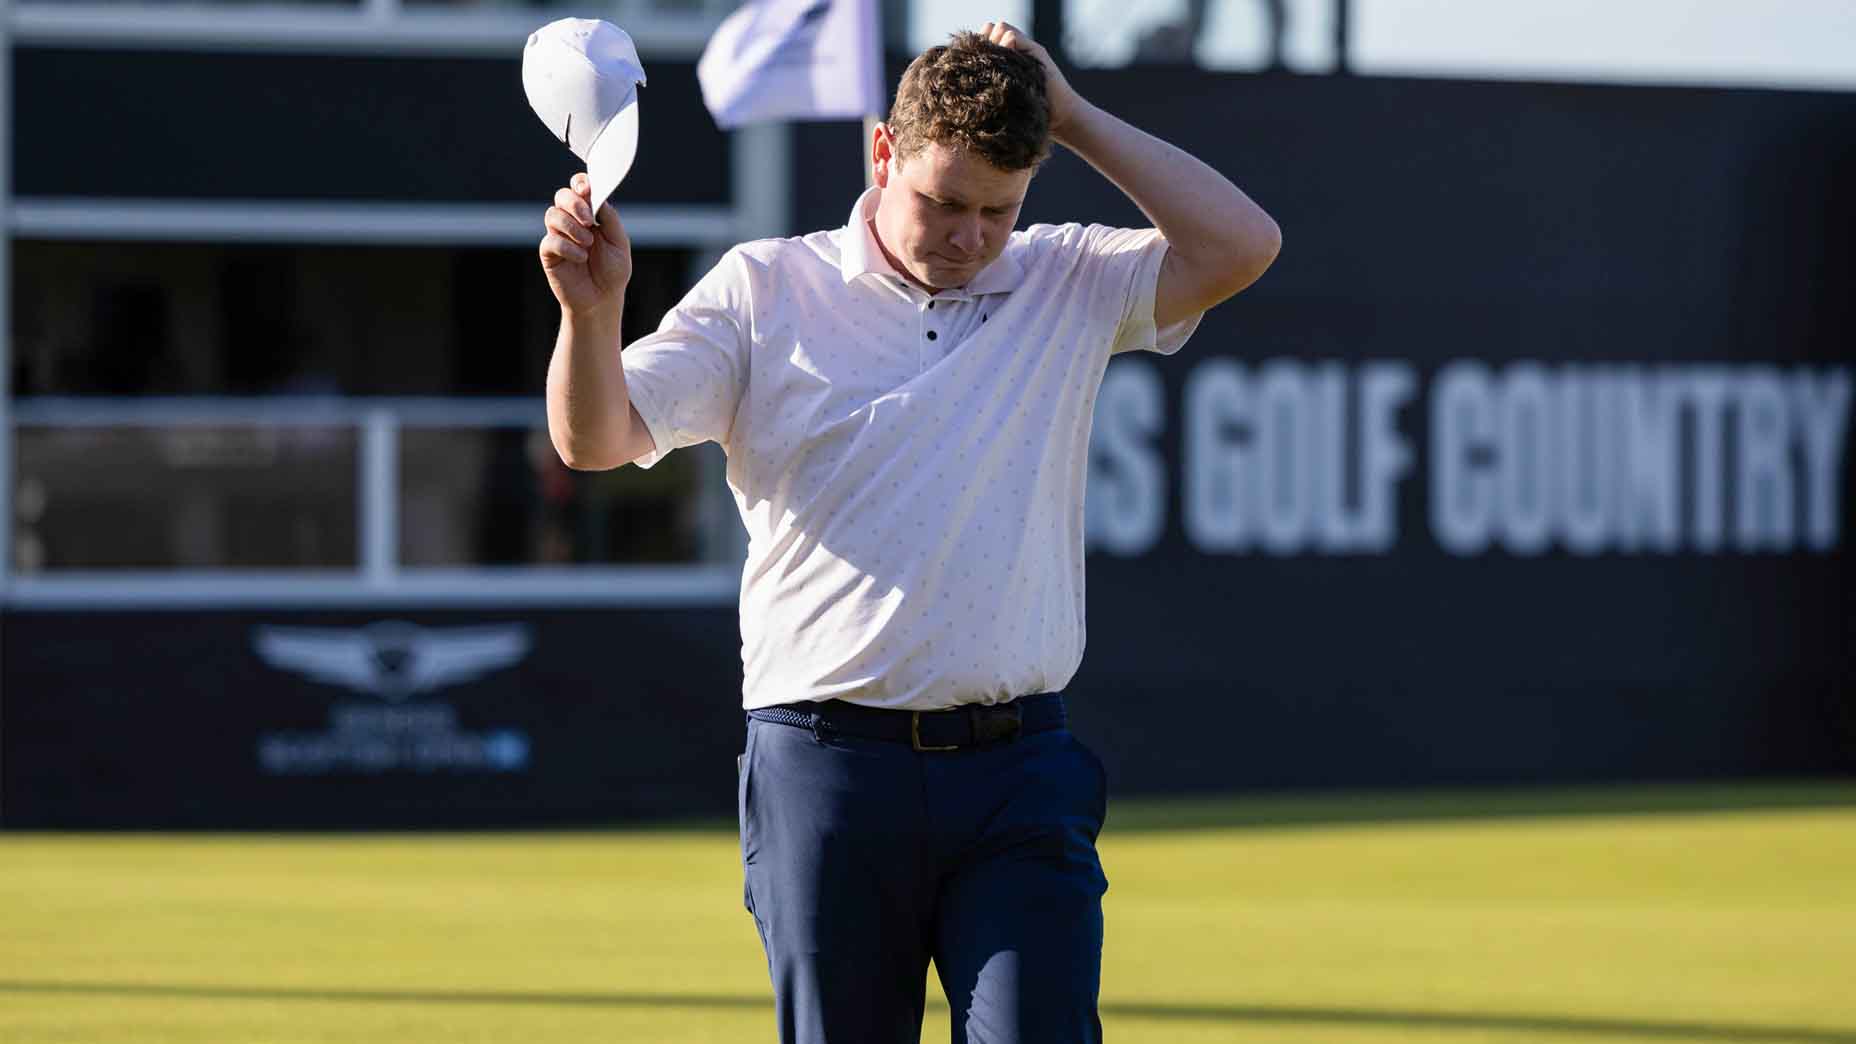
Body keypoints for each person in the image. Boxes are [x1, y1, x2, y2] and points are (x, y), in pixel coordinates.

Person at [538, 22, 1279, 1044]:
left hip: (1018, 771)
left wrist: (1070, 116)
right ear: (882, 153)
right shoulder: (764, 289)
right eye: (943, 203)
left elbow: (1244, 246)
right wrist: (592, 313)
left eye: (998, 210)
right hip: (826, 766)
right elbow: (596, 436)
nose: (971, 237)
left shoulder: (1067, 278)